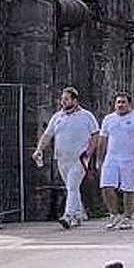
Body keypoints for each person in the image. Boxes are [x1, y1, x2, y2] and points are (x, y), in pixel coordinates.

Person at [33, 86, 99, 229]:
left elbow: (95, 135)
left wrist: (89, 152)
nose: (63, 102)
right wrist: (39, 149)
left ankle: (68, 216)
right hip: (62, 158)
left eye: (67, 99)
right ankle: (79, 214)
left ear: (75, 100)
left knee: (72, 186)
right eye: (62, 99)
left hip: (80, 158)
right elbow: (47, 135)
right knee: (71, 188)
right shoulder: (57, 117)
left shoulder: (87, 116)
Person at [97, 91, 134, 231]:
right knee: (106, 186)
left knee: (128, 188)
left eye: (123, 102)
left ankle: (127, 218)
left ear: (129, 104)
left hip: (130, 159)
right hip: (111, 158)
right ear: (114, 104)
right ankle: (114, 215)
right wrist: (99, 158)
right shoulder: (108, 119)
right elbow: (102, 140)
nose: (120, 105)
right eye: (118, 102)